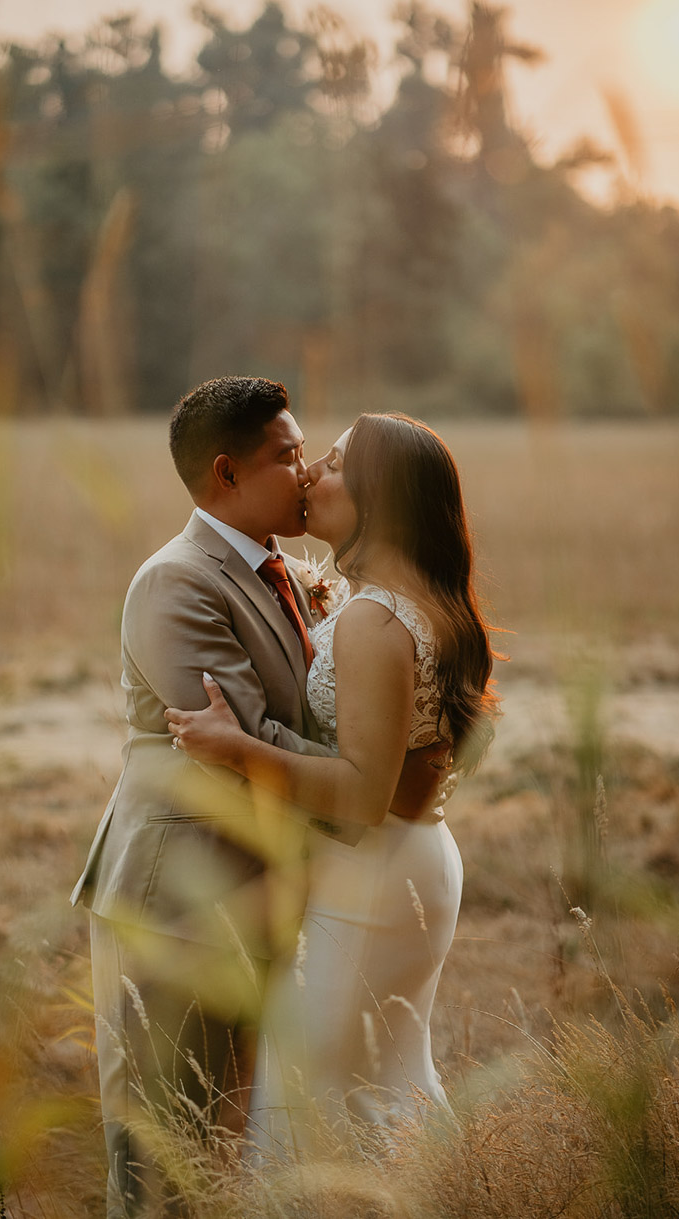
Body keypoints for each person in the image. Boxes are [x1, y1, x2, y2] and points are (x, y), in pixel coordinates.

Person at [71, 380, 442, 1216]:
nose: (306, 469)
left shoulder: (284, 570)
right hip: (177, 906)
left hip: (263, 900)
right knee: (164, 1149)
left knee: (237, 1146)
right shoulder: (176, 582)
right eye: (287, 455)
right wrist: (375, 783)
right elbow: (234, 744)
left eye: (308, 450)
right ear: (227, 473)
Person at [166, 412, 497, 1159]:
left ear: (381, 499)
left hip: (375, 872)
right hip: (413, 858)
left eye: (336, 463)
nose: (311, 471)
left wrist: (236, 746)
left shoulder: (375, 621)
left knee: (306, 1092)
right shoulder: (408, 603)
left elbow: (357, 794)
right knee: (385, 1079)